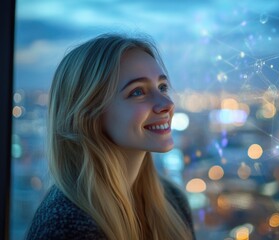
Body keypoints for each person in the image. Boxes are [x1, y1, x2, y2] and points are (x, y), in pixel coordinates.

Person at [26, 33, 195, 240]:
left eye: (162, 87)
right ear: (89, 115)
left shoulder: (172, 201)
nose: (167, 104)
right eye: (137, 92)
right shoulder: (66, 226)